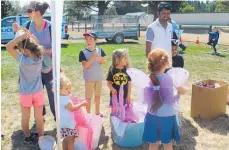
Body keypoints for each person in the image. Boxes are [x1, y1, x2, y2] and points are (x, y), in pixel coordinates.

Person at [142, 48, 186, 150]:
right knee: (167, 143)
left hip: (152, 115)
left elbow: (146, 98)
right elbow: (182, 92)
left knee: (153, 143)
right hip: (167, 116)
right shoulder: (170, 78)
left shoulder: (148, 78)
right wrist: (179, 91)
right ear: (166, 63)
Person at [6, 33, 44, 143]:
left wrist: (21, 37)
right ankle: (41, 137)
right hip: (38, 92)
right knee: (39, 117)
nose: (20, 52)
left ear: (26, 51)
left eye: (21, 50)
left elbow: (8, 47)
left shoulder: (23, 60)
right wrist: (31, 36)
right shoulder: (40, 56)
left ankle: (27, 135)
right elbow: (38, 44)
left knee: (25, 117)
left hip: (25, 93)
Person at [26, 1, 56, 121]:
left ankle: (56, 117)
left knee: (52, 93)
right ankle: (40, 116)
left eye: (29, 11)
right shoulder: (29, 25)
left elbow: (56, 48)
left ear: (37, 13)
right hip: (34, 66)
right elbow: (26, 46)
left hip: (49, 67)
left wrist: (46, 51)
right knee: (37, 93)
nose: (27, 13)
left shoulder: (50, 27)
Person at [79, 31, 106, 116]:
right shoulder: (83, 52)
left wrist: (101, 59)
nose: (88, 41)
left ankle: (97, 112)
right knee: (88, 98)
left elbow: (103, 62)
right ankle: (88, 114)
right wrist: (93, 57)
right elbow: (85, 66)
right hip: (89, 79)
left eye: (90, 39)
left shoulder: (100, 50)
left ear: (95, 40)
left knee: (97, 96)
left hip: (98, 78)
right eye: (86, 39)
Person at [59, 73, 88, 150]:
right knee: (71, 141)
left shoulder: (60, 97)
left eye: (69, 88)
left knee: (66, 139)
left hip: (63, 123)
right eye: (66, 88)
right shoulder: (65, 99)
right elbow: (72, 108)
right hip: (68, 124)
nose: (69, 90)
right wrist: (82, 104)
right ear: (59, 89)